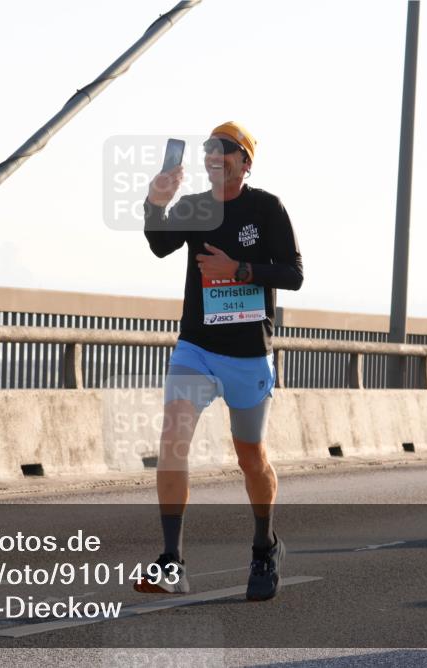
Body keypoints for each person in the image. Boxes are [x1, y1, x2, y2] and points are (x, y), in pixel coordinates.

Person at [133, 121, 303, 601]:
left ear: (245, 162)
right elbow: (159, 245)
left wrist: (238, 270)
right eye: (208, 148)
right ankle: (172, 561)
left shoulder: (267, 208)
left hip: (248, 355)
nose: (213, 155)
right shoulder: (195, 207)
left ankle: (265, 546)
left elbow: (293, 274)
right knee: (173, 439)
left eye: (224, 148)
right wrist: (155, 203)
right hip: (197, 348)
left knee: (250, 457)